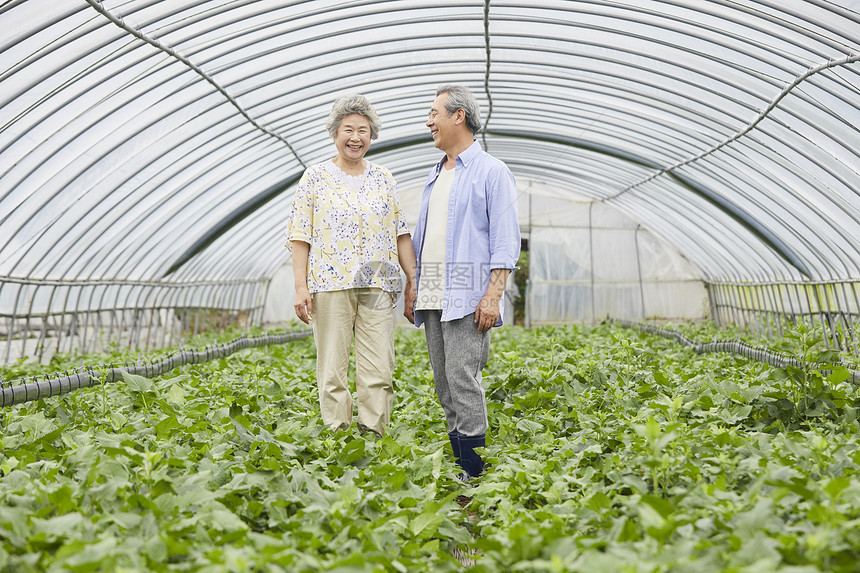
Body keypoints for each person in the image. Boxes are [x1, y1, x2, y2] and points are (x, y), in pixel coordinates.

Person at [404, 85, 520, 479]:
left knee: (463, 380)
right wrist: (413, 286)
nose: (428, 121)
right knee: (444, 386)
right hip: (433, 292)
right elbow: (426, 238)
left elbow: (505, 240)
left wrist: (493, 295)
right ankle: (463, 469)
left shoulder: (491, 171)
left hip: (468, 295)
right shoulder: (436, 174)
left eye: (434, 113)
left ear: (458, 116)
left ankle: (476, 476)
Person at [285, 94, 417, 436]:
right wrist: (301, 287)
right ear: (334, 133)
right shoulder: (315, 177)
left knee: (379, 367)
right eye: (348, 130)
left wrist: (412, 279)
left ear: (372, 135)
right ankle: (338, 434)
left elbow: (400, 232)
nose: (356, 137)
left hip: (377, 285)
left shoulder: (383, 178)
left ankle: (373, 435)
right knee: (332, 368)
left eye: (363, 130)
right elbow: (300, 235)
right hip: (330, 285)